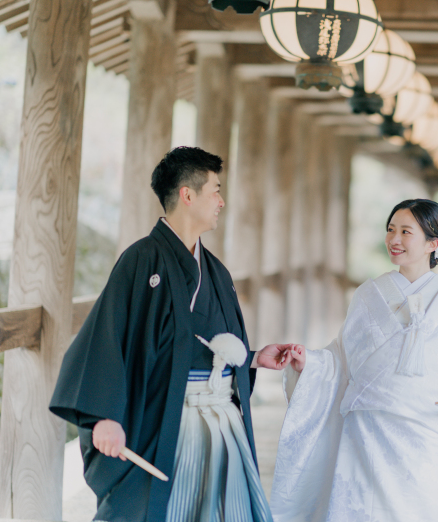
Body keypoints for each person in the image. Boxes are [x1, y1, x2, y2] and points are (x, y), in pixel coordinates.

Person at [50, 147, 289, 522]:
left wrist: (254, 359)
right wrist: (104, 416)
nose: (221, 202)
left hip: (220, 424)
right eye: (215, 191)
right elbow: (106, 340)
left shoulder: (215, 271)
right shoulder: (141, 260)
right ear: (187, 195)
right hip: (165, 422)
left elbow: (203, 345)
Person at [270, 199, 438, 522]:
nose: (394, 239)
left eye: (406, 232)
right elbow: (341, 359)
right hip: (369, 432)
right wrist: (309, 363)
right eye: (391, 229)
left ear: (433, 243)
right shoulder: (368, 295)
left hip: (429, 432)